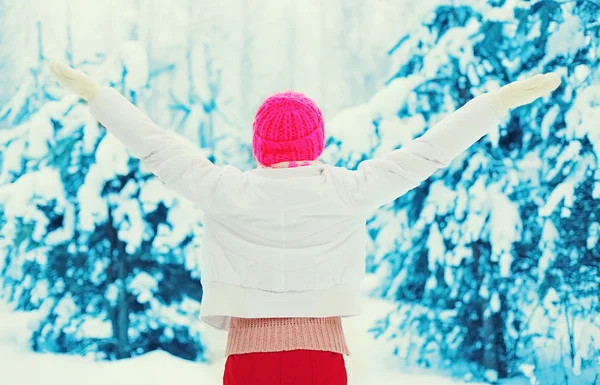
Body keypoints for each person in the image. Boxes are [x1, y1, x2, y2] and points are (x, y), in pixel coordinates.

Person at [49, 60, 561, 385]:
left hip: (247, 358)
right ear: (316, 142)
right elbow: (427, 153)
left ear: (260, 144)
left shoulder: (226, 190)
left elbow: (156, 145)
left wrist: (96, 94)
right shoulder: (348, 190)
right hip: (320, 358)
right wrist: (494, 104)